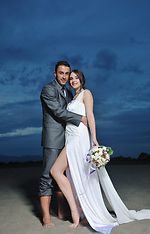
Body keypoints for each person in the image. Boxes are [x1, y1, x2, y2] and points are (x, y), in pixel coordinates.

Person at [50, 69, 150, 234]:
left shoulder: (86, 93)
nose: (73, 81)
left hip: (79, 138)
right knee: (75, 174)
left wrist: (94, 138)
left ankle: (76, 211)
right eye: (71, 78)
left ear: (82, 80)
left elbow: (90, 115)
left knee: (59, 171)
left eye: (76, 78)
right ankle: (81, 209)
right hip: (70, 137)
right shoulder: (72, 98)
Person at [38, 61, 87, 227]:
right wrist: (81, 119)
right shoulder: (48, 90)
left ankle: (61, 212)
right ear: (55, 74)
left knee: (63, 176)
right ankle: (46, 217)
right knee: (47, 176)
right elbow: (58, 112)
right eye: (61, 73)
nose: (65, 77)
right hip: (52, 140)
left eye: (67, 74)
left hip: (68, 140)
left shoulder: (68, 91)